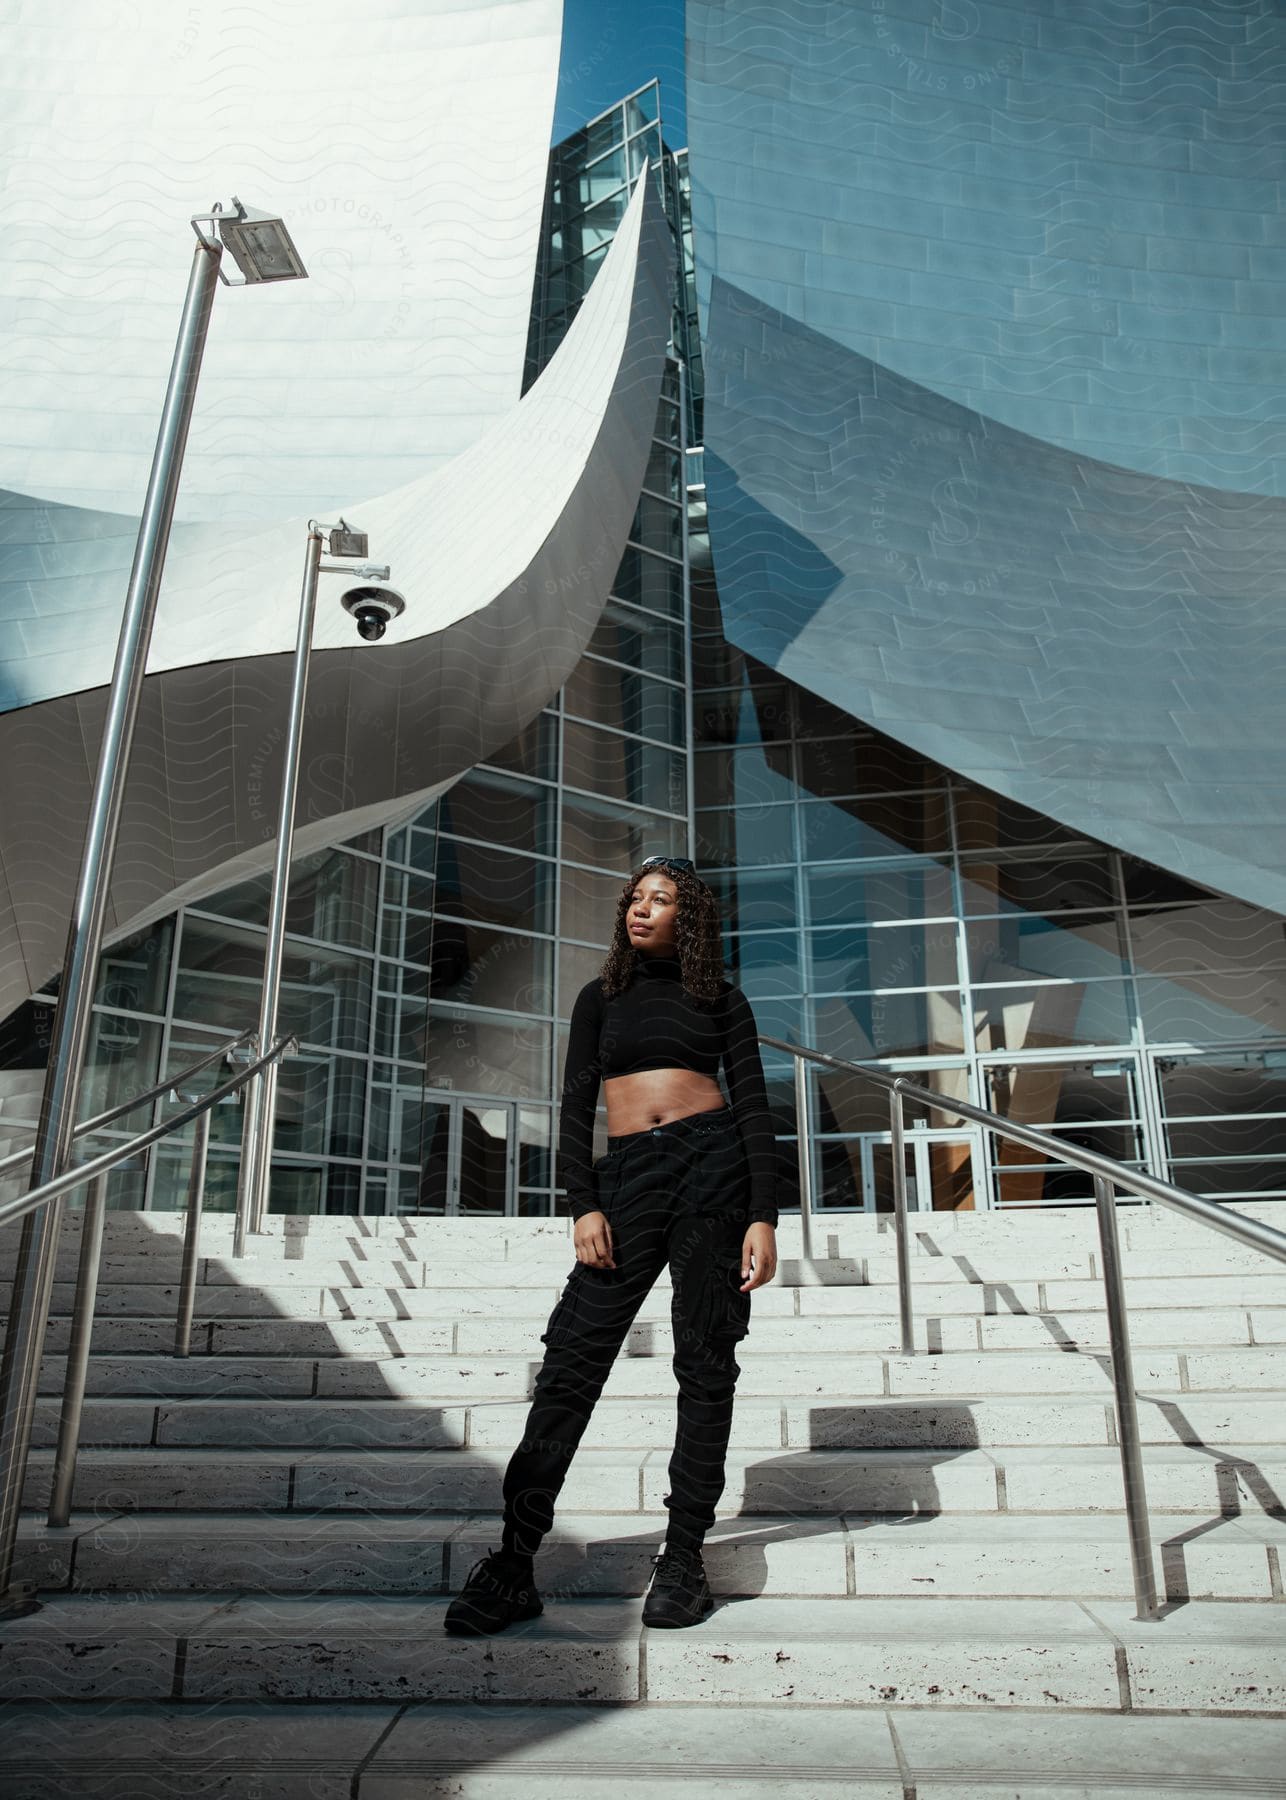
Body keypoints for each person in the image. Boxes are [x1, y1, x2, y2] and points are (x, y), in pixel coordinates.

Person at [444, 853, 779, 1635]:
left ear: (687, 918)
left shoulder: (721, 999)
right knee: (570, 1364)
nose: (641, 908)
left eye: (660, 900)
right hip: (627, 1179)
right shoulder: (602, 999)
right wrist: (582, 1202)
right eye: (635, 897)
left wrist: (763, 1214)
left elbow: (755, 1104)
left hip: (712, 1173)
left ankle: (686, 1556)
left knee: (705, 1364)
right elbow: (572, 1106)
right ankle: (514, 1562)